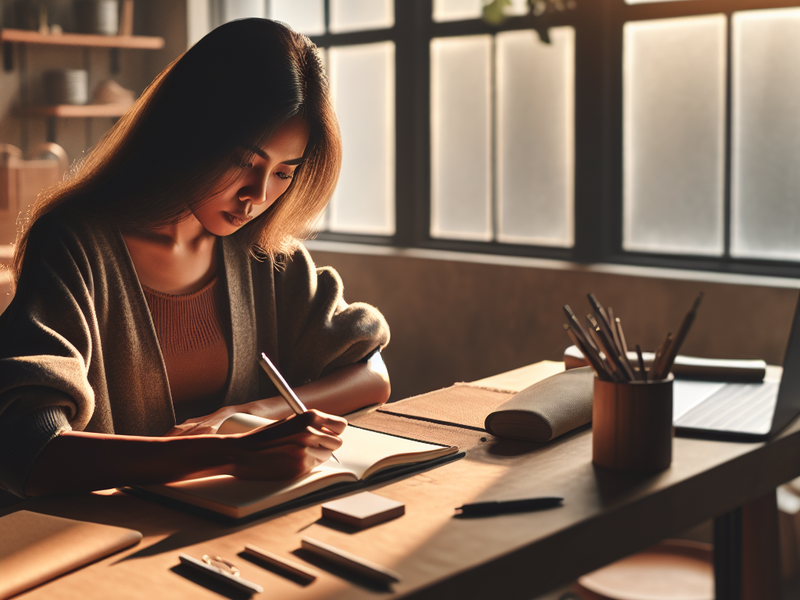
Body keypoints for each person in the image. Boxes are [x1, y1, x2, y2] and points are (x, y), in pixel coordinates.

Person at [0, 18, 391, 498]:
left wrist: (252, 416)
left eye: (284, 172)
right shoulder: (75, 244)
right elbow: (26, 450)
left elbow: (372, 374)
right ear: (188, 130)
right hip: (108, 538)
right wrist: (228, 454)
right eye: (245, 162)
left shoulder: (262, 251)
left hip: (233, 524)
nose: (258, 196)